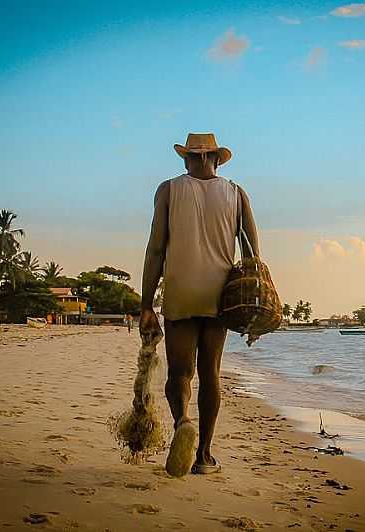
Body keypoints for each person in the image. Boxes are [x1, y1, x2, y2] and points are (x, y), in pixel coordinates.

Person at [139, 133, 259, 477]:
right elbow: (253, 257)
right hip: (219, 296)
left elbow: (156, 249)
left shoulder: (169, 189)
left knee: (180, 372)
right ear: (218, 160)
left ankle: (183, 423)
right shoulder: (237, 193)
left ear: (185, 159)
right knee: (211, 375)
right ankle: (204, 455)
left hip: (180, 290)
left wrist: (146, 303)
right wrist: (253, 313)